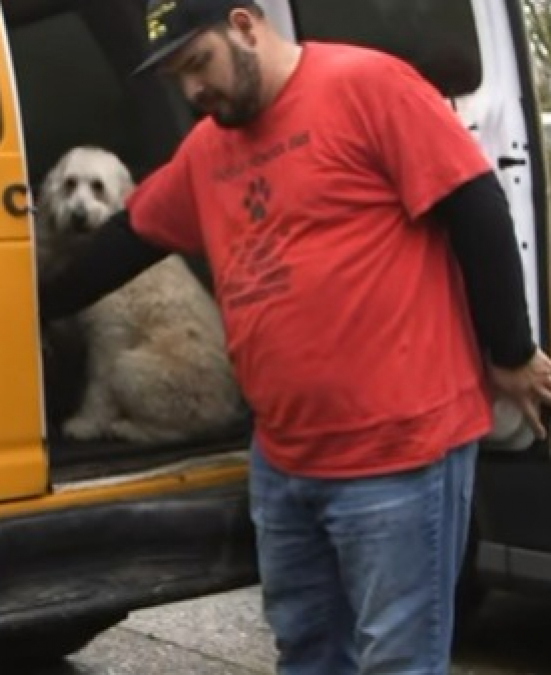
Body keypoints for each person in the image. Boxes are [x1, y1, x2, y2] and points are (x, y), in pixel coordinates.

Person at [37, 0, 551, 672]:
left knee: (397, 657)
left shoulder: (369, 86)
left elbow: (474, 203)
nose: (194, 90)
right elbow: (130, 237)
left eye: (200, 63)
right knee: (307, 651)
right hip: (285, 460)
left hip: (398, 452)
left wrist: (510, 350)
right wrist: (34, 307)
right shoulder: (209, 150)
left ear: (246, 25)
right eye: (177, 79)